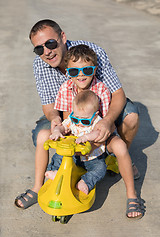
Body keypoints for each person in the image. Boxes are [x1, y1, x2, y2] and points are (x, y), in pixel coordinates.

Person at [14, 19, 140, 210]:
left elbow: (117, 96)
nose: (46, 51)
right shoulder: (62, 85)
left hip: (98, 123)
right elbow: (53, 110)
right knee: (42, 135)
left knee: (129, 120)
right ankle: (39, 186)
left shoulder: (93, 59)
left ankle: (128, 187)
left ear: (62, 37)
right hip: (72, 123)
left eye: (50, 43)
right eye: (39, 49)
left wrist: (106, 123)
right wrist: (58, 123)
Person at [45, 45, 143, 219]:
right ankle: (56, 173)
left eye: (87, 70)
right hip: (77, 140)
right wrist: (60, 133)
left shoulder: (102, 90)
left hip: (98, 137)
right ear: (67, 71)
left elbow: (106, 123)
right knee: (58, 156)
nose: (81, 75)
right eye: (75, 72)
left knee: (119, 148)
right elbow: (68, 123)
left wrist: (94, 143)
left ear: (95, 69)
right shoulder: (66, 90)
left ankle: (132, 195)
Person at [46, 90, 108, 195]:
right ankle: (55, 172)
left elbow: (98, 133)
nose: (79, 122)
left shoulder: (98, 121)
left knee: (101, 168)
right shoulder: (72, 119)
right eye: (76, 118)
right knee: (58, 156)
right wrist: (56, 131)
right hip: (73, 155)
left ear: (95, 114)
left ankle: (85, 182)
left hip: (92, 158)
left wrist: (86, 137)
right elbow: (62, 126)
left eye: (85, 121)